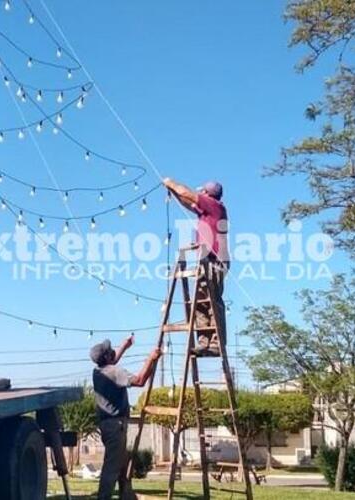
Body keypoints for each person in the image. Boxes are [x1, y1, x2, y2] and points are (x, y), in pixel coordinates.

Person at [162, 178, 229, 357]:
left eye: (202, 192)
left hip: (215, 261)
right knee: (200, 301)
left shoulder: (215, 206)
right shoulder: (207, 210)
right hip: (206, 260)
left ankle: (216, 342)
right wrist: (174, 193)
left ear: (207, 194)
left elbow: (187, 194)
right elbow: (187, 202)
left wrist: (171, 183)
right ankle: (204, 341)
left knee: (212, 300)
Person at [90, 335, 161, 500]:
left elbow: (112, 362)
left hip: (107, 425)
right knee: (111, 468)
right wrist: (150, 359)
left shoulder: (98, 372)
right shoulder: (115, 372)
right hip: (116, 426)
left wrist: (124, 346)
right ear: (107, 357)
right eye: (110, 351)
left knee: (123, 464)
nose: (112, 351)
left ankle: (127, 496)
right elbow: (140, 381)